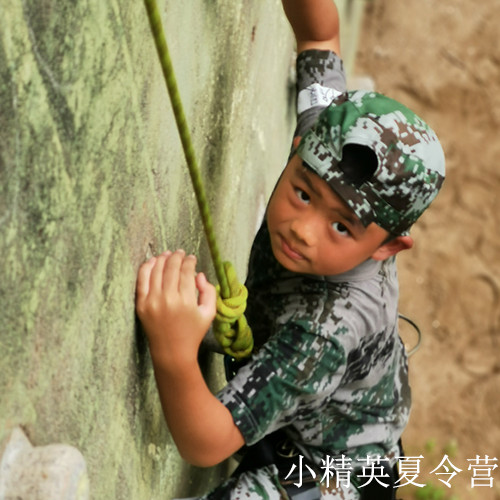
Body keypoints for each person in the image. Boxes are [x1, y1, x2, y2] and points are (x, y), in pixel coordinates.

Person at [135, 0, 445, 498]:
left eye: (341, 226)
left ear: (388, 246)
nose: (303, 229)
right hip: (328, 406)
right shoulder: (325, 140)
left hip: (328, 472)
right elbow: (319, 38)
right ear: (301, 144)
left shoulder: (323, 332)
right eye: (303, 194)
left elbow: (205, 441)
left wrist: (173, 352)